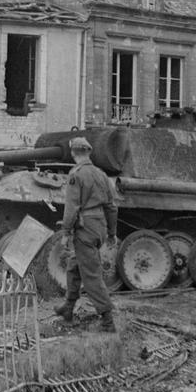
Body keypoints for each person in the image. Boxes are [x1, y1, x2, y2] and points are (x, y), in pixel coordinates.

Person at [54, 136, 119, 332]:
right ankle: (68, 307)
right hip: (98, 228)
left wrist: (66, 232)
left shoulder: (77, 174)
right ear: (89, 152)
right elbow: (112, 207)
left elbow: (72, 208)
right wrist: (111, 233)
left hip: (85, 229)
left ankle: (108, 321)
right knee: (75, 265)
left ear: (73, 152)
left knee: (91, 275)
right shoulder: (102, 175)